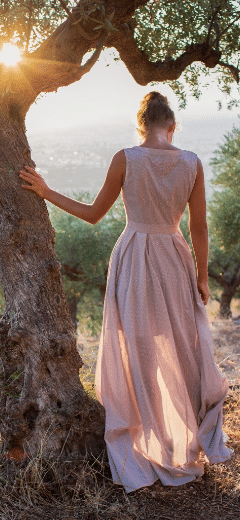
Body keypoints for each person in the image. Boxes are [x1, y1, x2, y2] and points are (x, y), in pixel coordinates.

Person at [19, 91, 233, 494]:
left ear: (141, 125)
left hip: (135, 256)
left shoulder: (126, 157)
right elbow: (199, 228)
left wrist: (46, 192)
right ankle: (180, 439)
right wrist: (202, 277)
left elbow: (94, 215)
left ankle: (146, 439)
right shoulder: (191, 162)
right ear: (171, 126)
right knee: (181, 349)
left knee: (139, 350)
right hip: (174, 257)